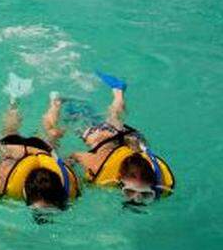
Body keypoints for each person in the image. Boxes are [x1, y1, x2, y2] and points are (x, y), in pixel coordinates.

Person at [68, 72, 176, 205]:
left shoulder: (161, 184)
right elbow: (75, 155)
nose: (137, 200)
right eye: (129, 192)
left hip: (134, 139)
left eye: (146, 195)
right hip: (108, 139)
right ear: (119, 178)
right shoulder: (97, 165)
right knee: (80, 122)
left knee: (115, 119)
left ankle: (119, 92)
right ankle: (117, 91)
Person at [0, 91, 80, 211]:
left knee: (51, 133)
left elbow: (68, 162)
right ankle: (15, 102)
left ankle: (54, 102)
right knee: (10, 131)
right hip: (17, 148)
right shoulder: (2, 186)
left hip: (36, 149)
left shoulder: (4, 185)